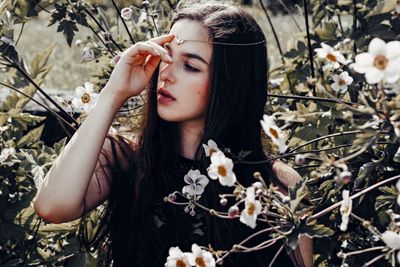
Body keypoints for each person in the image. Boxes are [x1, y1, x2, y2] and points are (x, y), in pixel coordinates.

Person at [33, 1, 313, 266]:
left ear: (231, 83)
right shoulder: (127, 157)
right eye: (165, 57)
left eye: (190, 66)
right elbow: (52, 207)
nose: (166, 74)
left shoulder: (277, 184)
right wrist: (113, 94)